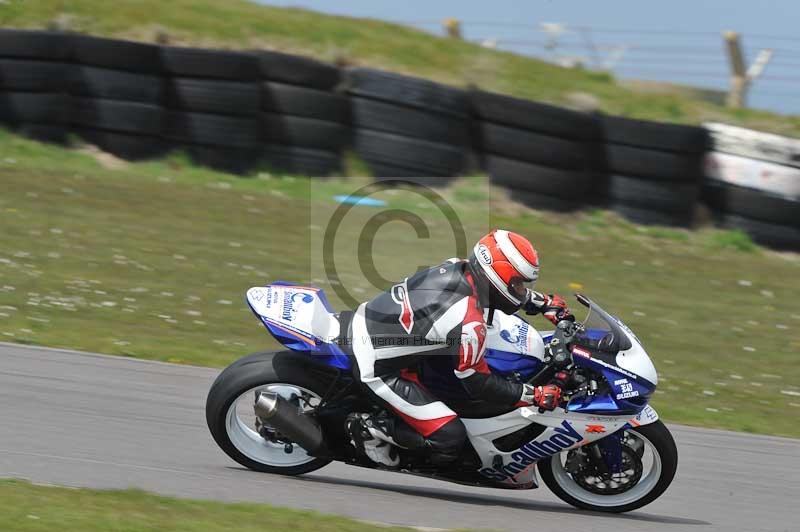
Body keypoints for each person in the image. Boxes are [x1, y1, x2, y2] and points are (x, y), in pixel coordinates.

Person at [345, 229, 574, 467]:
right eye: (517, 283)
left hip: (382, 330)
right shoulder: (467, 319)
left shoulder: (460, 268)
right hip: (377, 366)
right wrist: (533, 395)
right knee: (450, 438)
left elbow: (506, 294)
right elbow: (477, 383)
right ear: (496, 277)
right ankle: (369, 430)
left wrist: (542, 302)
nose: (520, 290)